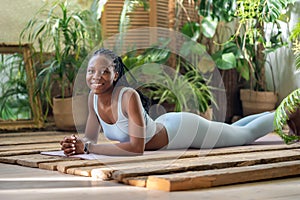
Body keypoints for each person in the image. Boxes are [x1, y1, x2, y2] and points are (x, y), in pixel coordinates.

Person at [60, 48, 296, 156]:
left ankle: (291, 109)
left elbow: (136, 148)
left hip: (184, 131)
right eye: (91, 71)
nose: (96, 77)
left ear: (116, 74)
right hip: (166, 123)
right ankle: (277, 111)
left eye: (104, 71)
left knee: (242, 137)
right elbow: (90, 139)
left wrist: (89, 148)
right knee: (234, 130)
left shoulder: (127, 96)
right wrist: (75, 144)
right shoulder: (93, 98)